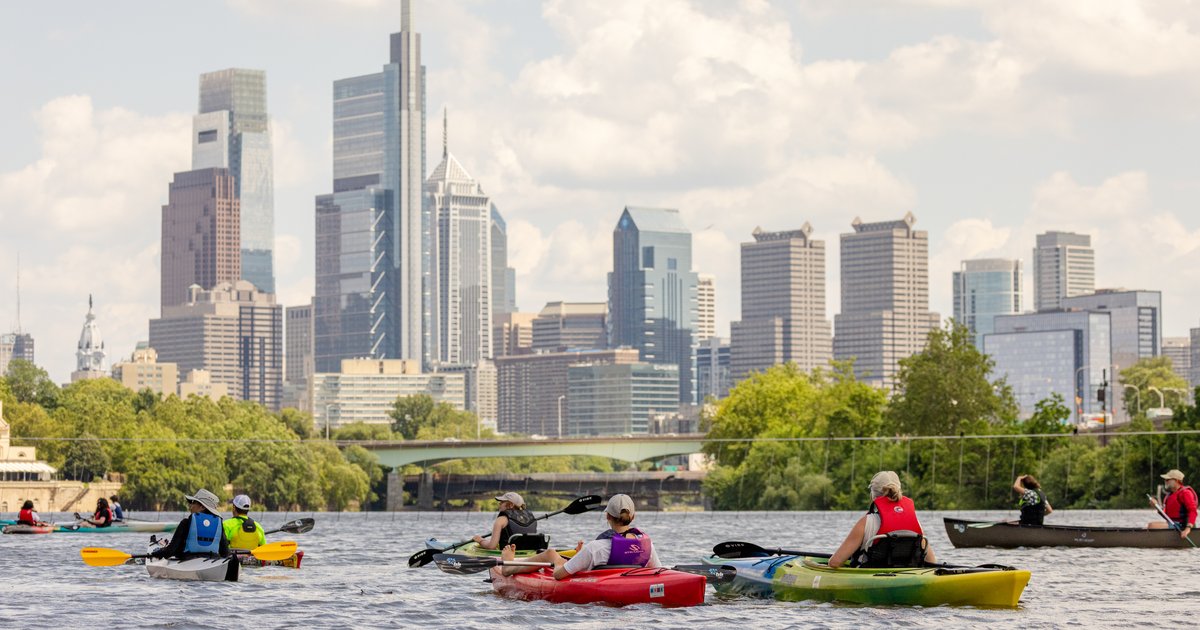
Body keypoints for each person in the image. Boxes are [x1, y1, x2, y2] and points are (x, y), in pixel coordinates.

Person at [497, 494, 659, 579]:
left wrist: (559, 562)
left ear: (607, 516)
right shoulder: (647, 545)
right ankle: (575, 555)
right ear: (633, 516)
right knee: (565, 555)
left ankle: (508, 568)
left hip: (596, 579)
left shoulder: (596, 548)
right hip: (626, 579)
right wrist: (580, 555)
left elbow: (557, 575)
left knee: (551, 553)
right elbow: (658, 571)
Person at [829, 471, 937, 568]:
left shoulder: (866, 523)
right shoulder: (915, 522)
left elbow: (835, 563)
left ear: (873, 495)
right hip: (907, 575)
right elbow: (932, 562)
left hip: (872, 579)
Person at [149, 489, 230, 560]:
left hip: (187, 559)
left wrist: (157, 552)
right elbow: (225, 553)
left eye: (193, 502)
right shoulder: (218, 524)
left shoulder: (186, 523)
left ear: (202, 507)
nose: (190, 506)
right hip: (212, 560)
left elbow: (170, 551)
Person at [472, 492, 537, 550]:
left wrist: (480, 540)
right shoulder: (531, 517)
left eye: (502, 502)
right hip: (529, 553)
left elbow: (491, 546)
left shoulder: (501, 520)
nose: (499, 504)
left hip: (508, 556)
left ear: (511, 505)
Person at [1148, 469, 1197, 540]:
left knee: (1152, 525)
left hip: (1182, 526)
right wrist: (1156, 506)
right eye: (1165, 479)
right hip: (1173, 524)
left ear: (1176, 480)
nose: (1165, 481)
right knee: (1148, 527)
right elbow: (1167, 517)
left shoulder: (1186, 493)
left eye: (1168, 479)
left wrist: (1187, 529)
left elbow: (1193, 511)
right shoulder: (1170, 495)